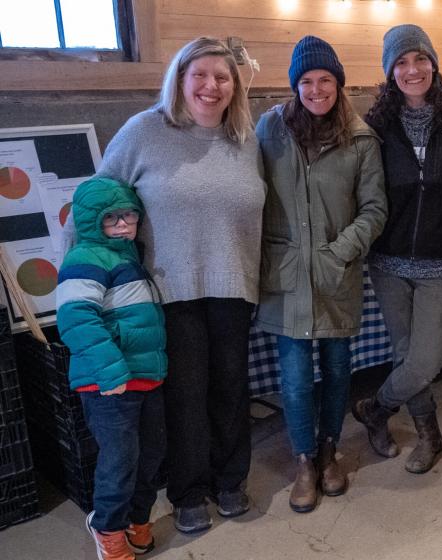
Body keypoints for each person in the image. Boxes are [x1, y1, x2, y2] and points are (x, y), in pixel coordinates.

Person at [98, 37, 266, 533]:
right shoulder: (145, 131)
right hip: (172, 292)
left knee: (233, 391)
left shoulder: (245, 138)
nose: (211, 86)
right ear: (180, 79)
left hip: (234, 287)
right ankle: (189, 491)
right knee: (187, 397)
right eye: (201, 75)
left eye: (223, 77)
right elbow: (98, 196)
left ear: (235, 86)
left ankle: (230, 481)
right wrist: (92, 260)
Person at [256, 35, 387, 513]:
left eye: (325, 79)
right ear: (295, 86)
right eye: (306, 81)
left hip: (336, 273)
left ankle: (330, 448)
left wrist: (338, 252)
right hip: (286, 275)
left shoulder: (361, 138)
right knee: (293, 378)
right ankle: (304, 461)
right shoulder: (269, 130)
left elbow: (374, 209)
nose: (316, 90)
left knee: (336, 371)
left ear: (339, 83)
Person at [353, 24, 442, 474]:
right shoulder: (376, 126)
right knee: (405, 352)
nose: (412, 69)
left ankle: (377, 408)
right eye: (401, 62)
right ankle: (429, 434)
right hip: (388, 260)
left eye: (419, 59)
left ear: (433, 63)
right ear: (390, 72)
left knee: (426, 359)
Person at [57, 177, 167, 560]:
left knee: (151, 454)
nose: (123, 224)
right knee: (120, 461)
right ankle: (107, 527)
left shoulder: (128, 257)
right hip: (109, 383)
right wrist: (110, 372)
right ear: (91, 222)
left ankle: (138, 518)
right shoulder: (84, 258)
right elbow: (77, 320)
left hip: (144, 377)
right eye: (112, 218)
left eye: (129, 216)